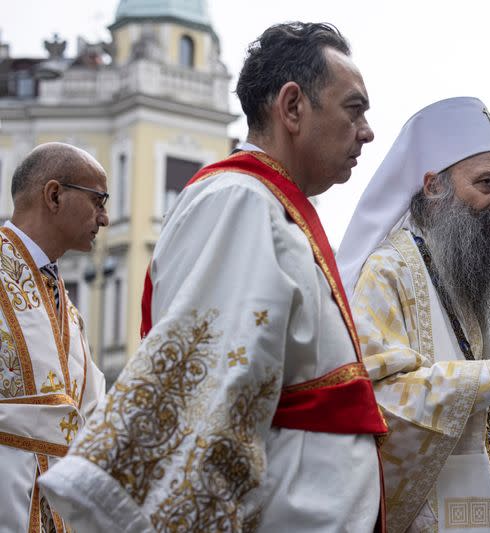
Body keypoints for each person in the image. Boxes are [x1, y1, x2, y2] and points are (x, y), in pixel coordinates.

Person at [39, 22, 387, 532]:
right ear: (292, 107)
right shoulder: (239, 201)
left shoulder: (271, 207)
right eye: (354, 109)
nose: (367, 131)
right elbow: (213, 396)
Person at [337, 96, 490, 532]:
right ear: (434, 186)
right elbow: (378, 403)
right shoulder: (389, 271)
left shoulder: (461, 277)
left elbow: (488, 424)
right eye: (487, 183)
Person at [0, 142, 106, 531]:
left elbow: (94, 412)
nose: (105, 218)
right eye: (98, 200)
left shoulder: (69, 310)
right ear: (54, 195)